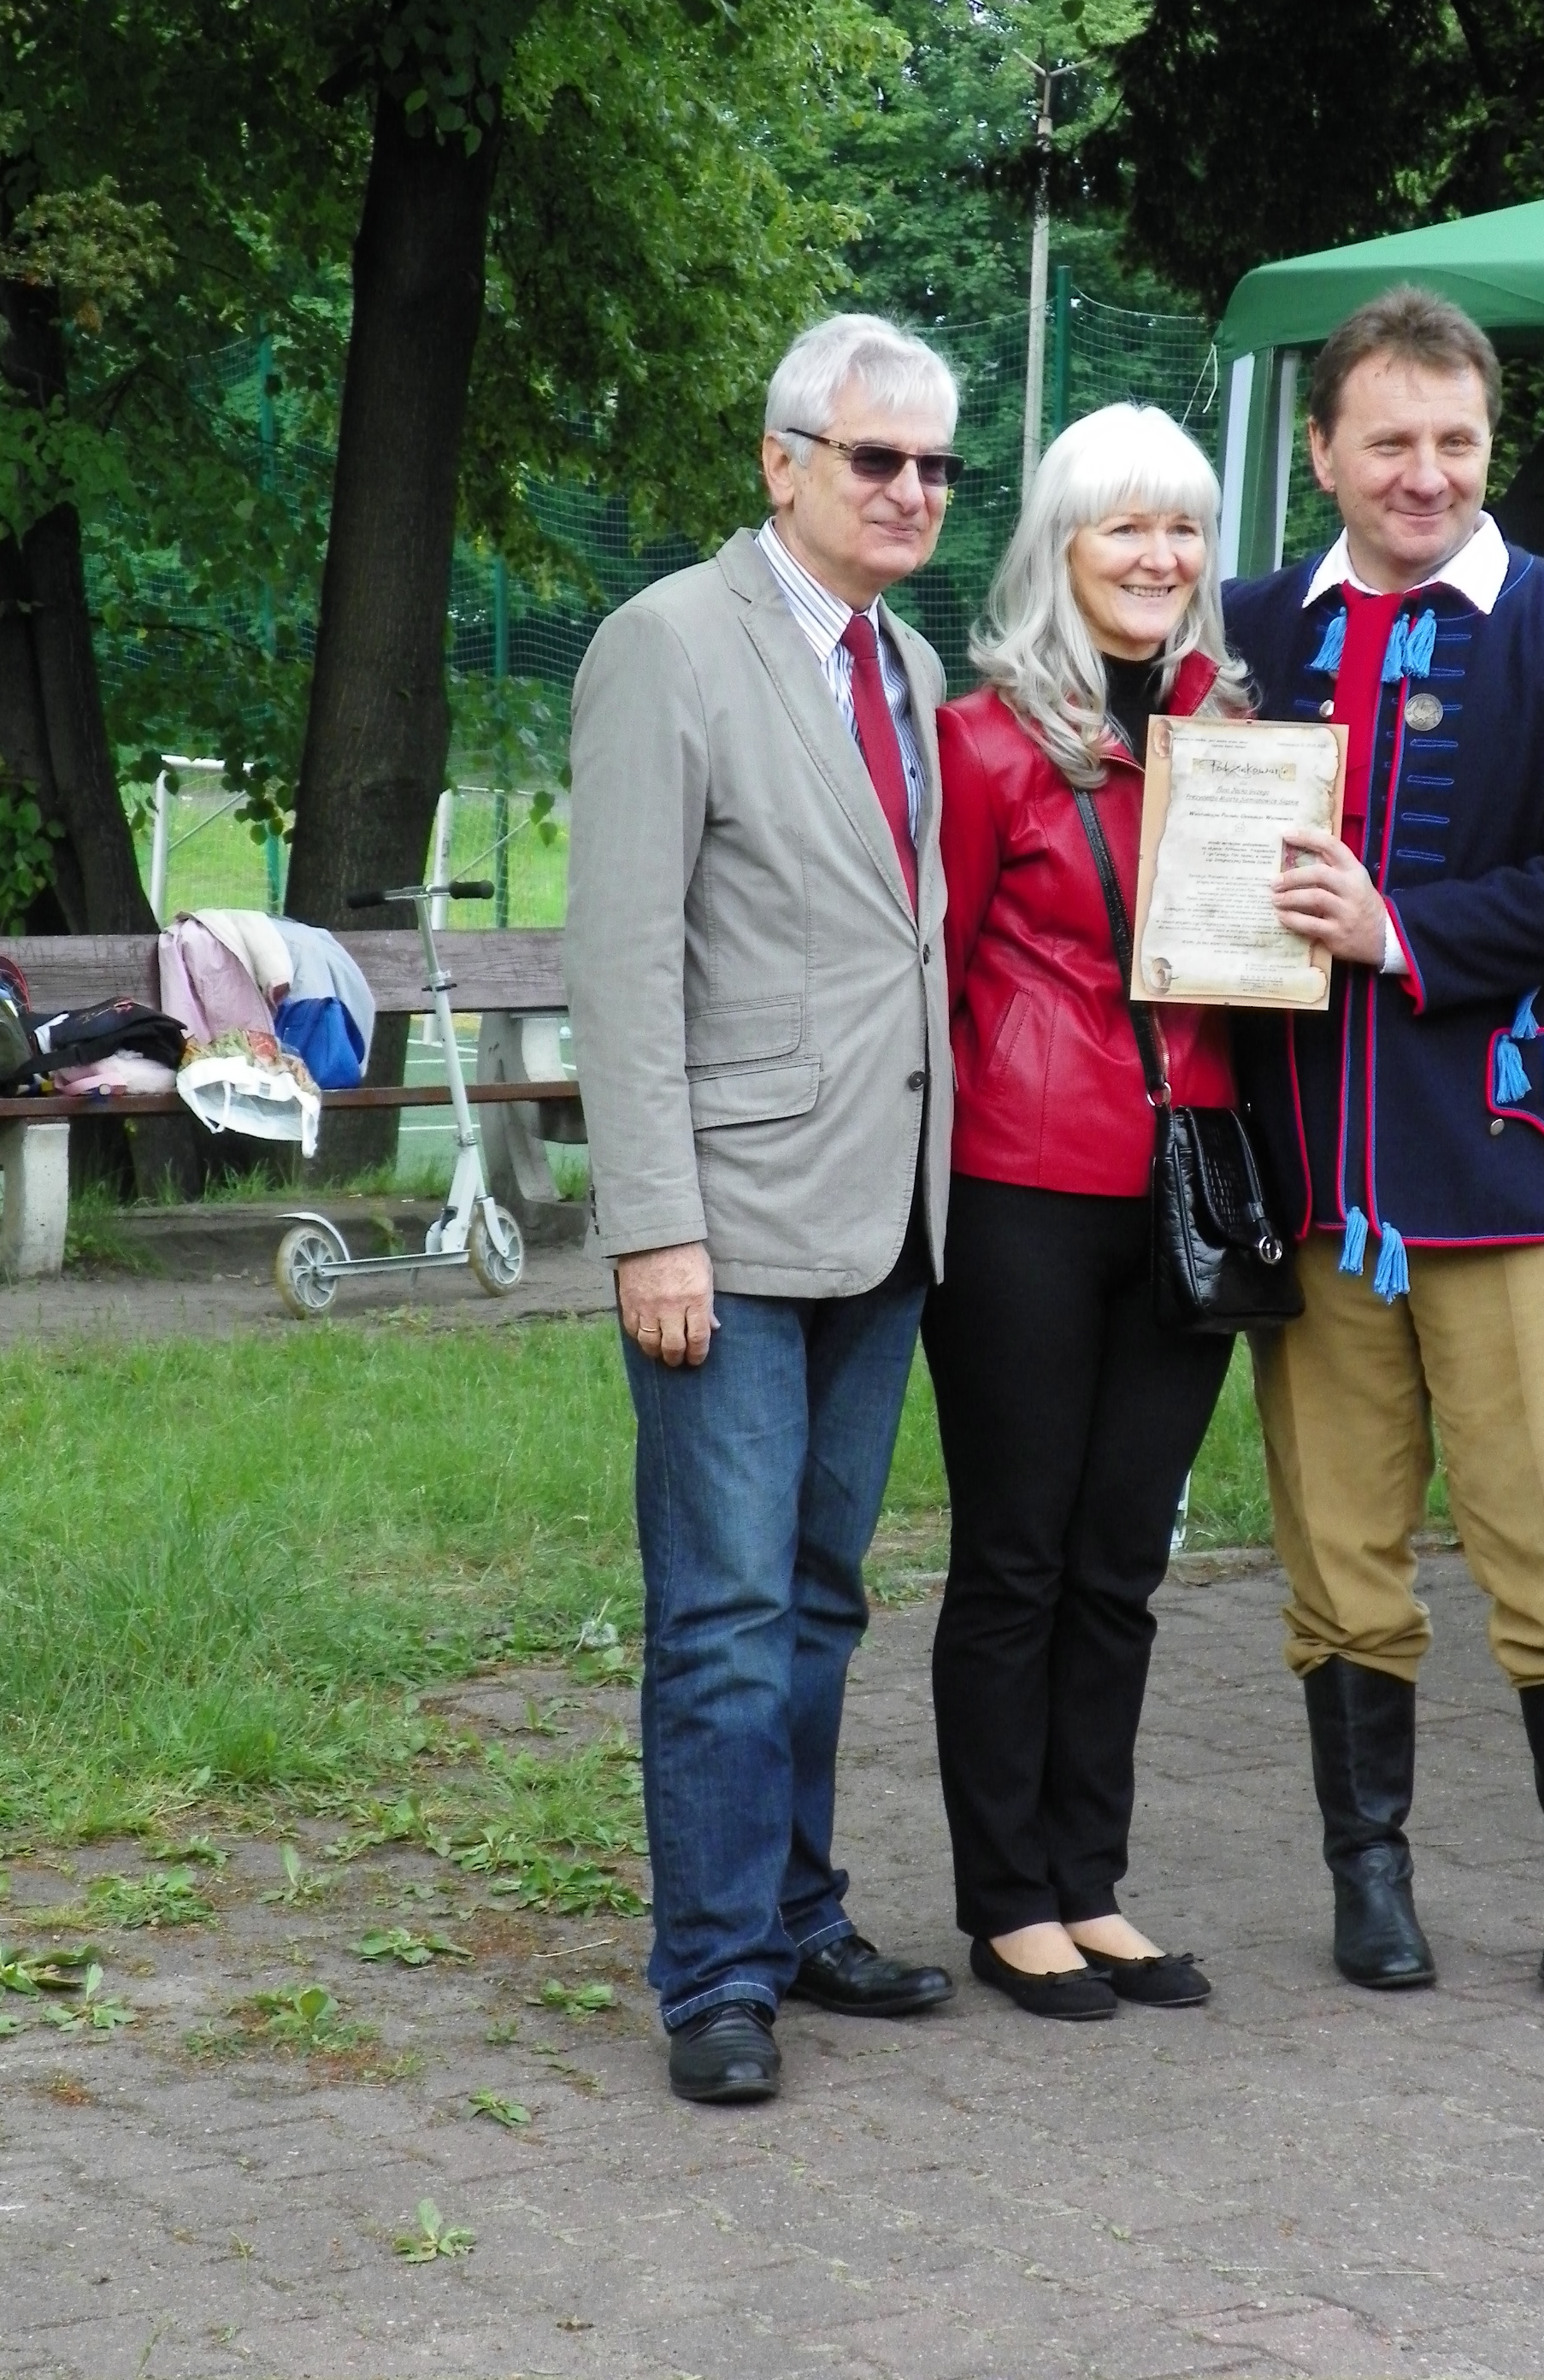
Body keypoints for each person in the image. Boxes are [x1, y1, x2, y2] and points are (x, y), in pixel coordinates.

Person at [1223, 287, 1544, 1997]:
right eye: (1390, 440)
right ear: (1322, 450)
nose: (1425, 473)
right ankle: (1371, 1881)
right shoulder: (1248, 629)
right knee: (1337, 1553)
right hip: (1311, 1178)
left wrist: (1391, 929)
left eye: (1456, 440)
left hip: (1506, 1170)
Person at [567, 315, 963, 2104]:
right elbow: (622, 960)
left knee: (816, 1600)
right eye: (875, 458)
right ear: (780, 461)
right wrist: (654, 1224)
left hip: (884, 1216)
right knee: (722, 1615)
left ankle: (796, 1914)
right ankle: (715, 1976)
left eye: (935, 466)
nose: (909, 491)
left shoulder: (911, 663)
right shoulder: (665, 643)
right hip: (721, 1228)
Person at [924, 404, 1250, 2023]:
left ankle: (1090, 1884)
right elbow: (937, 978)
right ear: (1061, 545)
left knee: (1122, 1554)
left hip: (1191, 1182)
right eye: (1125, 525)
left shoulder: (1239, 738)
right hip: (1023, 1185)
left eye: (1183, 527)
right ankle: (1008, 1905)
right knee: (1019, 1555)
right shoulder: (983, 741)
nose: (1157, 556)